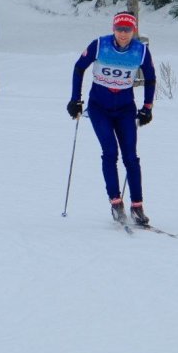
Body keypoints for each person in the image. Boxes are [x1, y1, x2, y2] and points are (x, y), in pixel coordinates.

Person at [67, 12, 157, 226]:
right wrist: (75, 100)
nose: (123, 34)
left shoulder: (141, 51)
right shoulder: (100, 45)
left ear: (133, 31)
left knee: (131, 158)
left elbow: (151, 78)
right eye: (119, 29)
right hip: (100, 108)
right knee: (110, 152)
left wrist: (147, 107)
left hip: (125, 108)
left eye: (127, 30)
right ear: (113, 29)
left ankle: (137, 206)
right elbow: (79, 68)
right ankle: (116, 203)